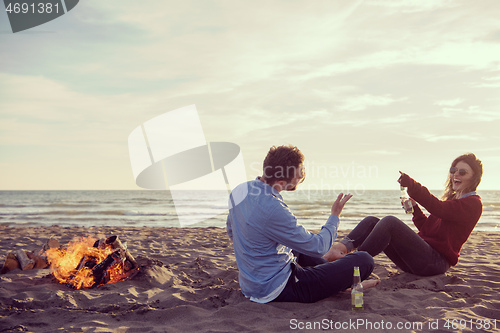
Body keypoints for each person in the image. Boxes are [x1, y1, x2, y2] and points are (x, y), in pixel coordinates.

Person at [226, 144, 378, 303]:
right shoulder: (273, 208)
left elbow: (232, 231)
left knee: (295, 245)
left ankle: (333, 271)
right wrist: (335, 215)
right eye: (300, 175)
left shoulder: (240, 191)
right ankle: (343, 281)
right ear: (281, 181)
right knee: (364, 260)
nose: (302, 178)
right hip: (279, 288)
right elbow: (318, 247)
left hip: (250, 284)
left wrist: (260, 254)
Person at [324, 153, 483, 277]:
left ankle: (349, 264)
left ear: (474, 178)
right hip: (419, 259)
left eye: (462, 172)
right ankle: (341, 249)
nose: (456, 175)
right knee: (373, 221)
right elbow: (427, 229)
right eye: (453, 170)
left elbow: (438, 208)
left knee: (390, 223)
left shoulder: (472, 204)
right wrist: (415, 209)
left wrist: (413, 185)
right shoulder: (453, 201)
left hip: (435, 262)